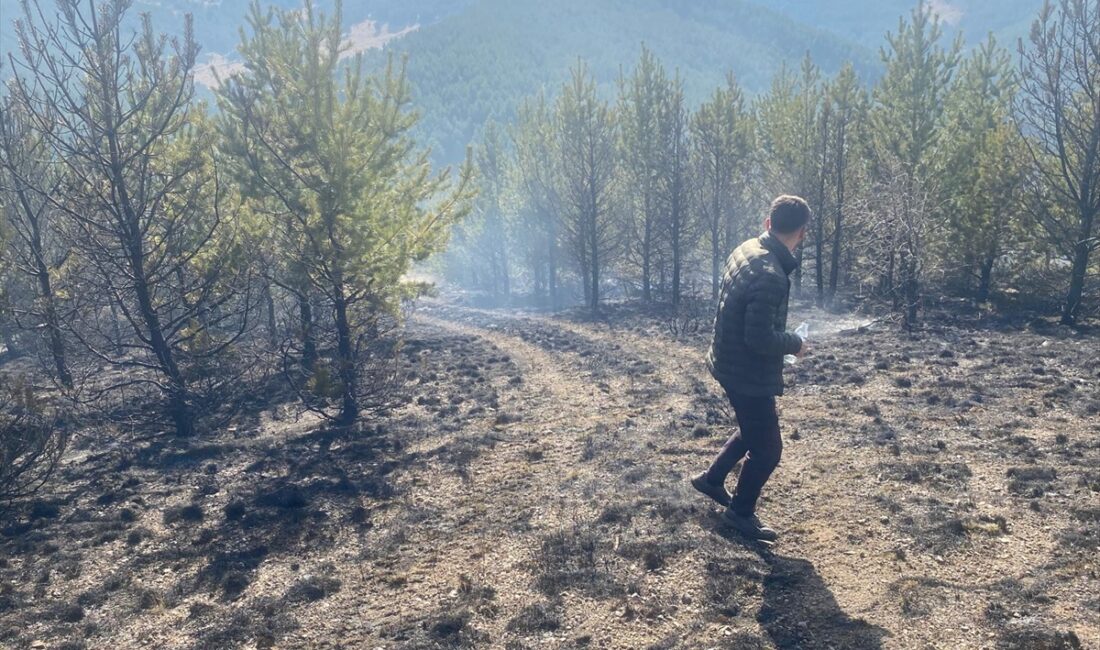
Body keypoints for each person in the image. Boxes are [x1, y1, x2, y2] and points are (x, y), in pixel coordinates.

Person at [691, 195, 810, 542]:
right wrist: (794, 344)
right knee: (768, 449)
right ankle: (739, 514)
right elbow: (758, 338)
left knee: (751, 428)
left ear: (768, 223)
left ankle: (711, 481)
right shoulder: (772, 273)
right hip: (745, 372)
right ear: (802, 233)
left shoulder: (747, 248)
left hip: (726, 361)